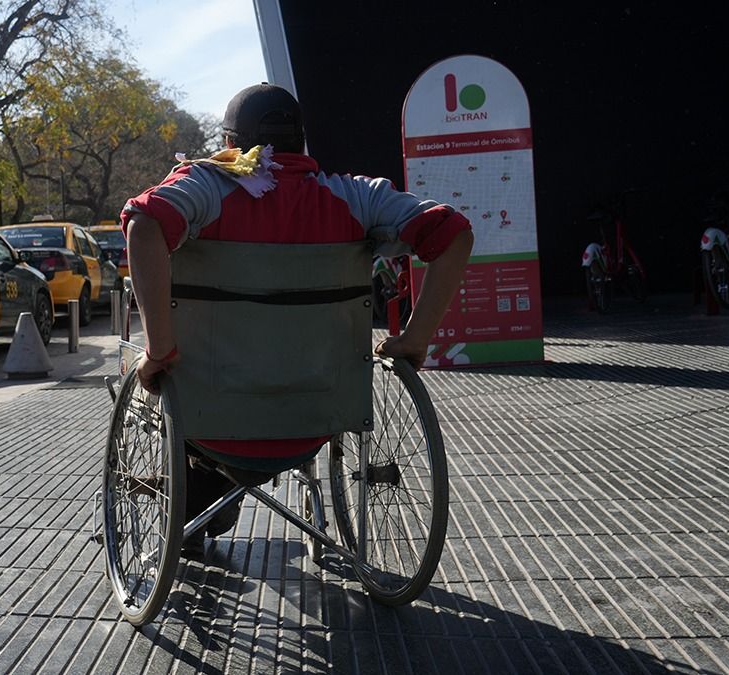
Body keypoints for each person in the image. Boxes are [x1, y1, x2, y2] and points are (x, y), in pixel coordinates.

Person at [120, 83, 473, 550]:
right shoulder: (357, 197)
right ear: (301, 142)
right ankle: (210, 498)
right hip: (318, 420)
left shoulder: (202, 188)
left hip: (210, 419)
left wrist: (159, 349)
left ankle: (197, 500)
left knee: (164, 376)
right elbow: (454, 233)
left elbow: (145, 223)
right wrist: (415, 337)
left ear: (229, 143)